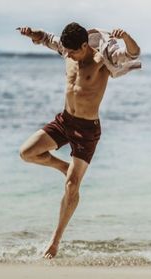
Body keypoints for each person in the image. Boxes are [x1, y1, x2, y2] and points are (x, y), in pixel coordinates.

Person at [17, 22, 141, 259]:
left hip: (87, 130)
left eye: (73, 51)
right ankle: (64, 168)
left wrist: (125, 36)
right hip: (64, 121)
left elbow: (133, 53)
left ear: (84, 45)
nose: (68, 55)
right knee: (27, 153)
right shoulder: (67, 50)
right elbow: (47, 38)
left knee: (72, 187)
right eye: (66, 51)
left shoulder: (103, 59)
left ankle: (54, 243)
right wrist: (33, 34)